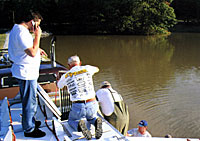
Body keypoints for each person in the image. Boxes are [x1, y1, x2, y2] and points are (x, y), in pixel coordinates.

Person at [8, 10, 47, 138]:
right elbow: (32, 52)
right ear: (32, 22)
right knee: (29, 101)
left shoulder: (17, 29)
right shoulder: (22, 32)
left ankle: (30, 121)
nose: (37, 27)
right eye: (37, 24)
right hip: (26, 73)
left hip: (26, 71)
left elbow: (27, 48)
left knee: (31, 99)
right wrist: (38, 36)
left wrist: (38, 48)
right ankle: (29, 129)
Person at [57, 55, 103, 140]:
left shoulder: (66, 75)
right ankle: (96, 122)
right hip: (92, 103)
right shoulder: (87, 68)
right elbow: (97, 69)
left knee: (71, 121)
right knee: (91, 118)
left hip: (78, 106)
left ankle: (79, 126)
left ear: (68, 65)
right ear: (80, 63)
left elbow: (59, 86)